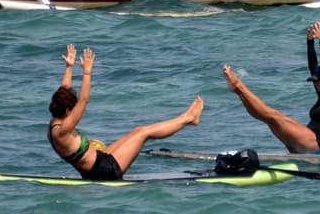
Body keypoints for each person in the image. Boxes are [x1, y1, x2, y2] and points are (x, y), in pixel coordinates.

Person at [47, 44, 203, 181]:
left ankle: (188, 118)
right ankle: (188, 118)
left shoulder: (55, 122)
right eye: (72, 109)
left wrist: (69, 67)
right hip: (105, 171)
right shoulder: (63, 131)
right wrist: (87, 72)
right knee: (144, 132)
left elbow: (64, 91)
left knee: (137, 130)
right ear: (68, 111)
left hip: (99, 163)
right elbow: (84, 100)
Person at [222, 20, 320, 154]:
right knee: (269, 119)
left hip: (313, 143)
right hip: (305, 142)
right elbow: (313, 66)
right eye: (315, 81)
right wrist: (309, 41)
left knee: (274, 115)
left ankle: (238, 86)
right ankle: (238, 92)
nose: (317, 83)